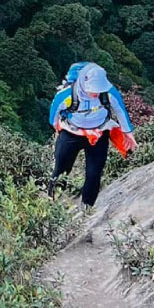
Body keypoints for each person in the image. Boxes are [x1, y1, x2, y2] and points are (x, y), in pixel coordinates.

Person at [48, 62, 136, 206]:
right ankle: (51, 204)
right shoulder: (66, 95)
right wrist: (58, 129)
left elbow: (120, 110)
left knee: (94, 174)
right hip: (72, 132)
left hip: (99, 133)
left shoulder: (108, 93)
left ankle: (86, 208)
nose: (96, 93)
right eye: (93, 89)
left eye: (99, 89)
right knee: (61, 170)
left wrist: (128, 133)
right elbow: (54, 115)